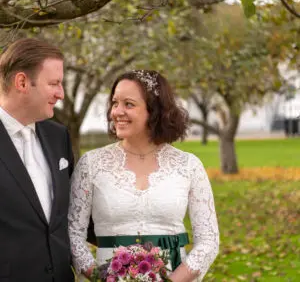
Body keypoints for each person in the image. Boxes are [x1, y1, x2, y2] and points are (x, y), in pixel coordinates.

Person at [68, 70, 219, 281]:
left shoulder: (188, 165)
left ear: (155, 111)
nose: (117, 112)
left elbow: (209, 240)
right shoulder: (92, 164)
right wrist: (100, 278)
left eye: (128, 104)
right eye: (114, 103)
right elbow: (73, 234)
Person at [0, 38, 74, 282]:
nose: (61, 94)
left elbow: (70, 213)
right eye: (54, 83)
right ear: (22, 82)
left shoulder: (58, 136)